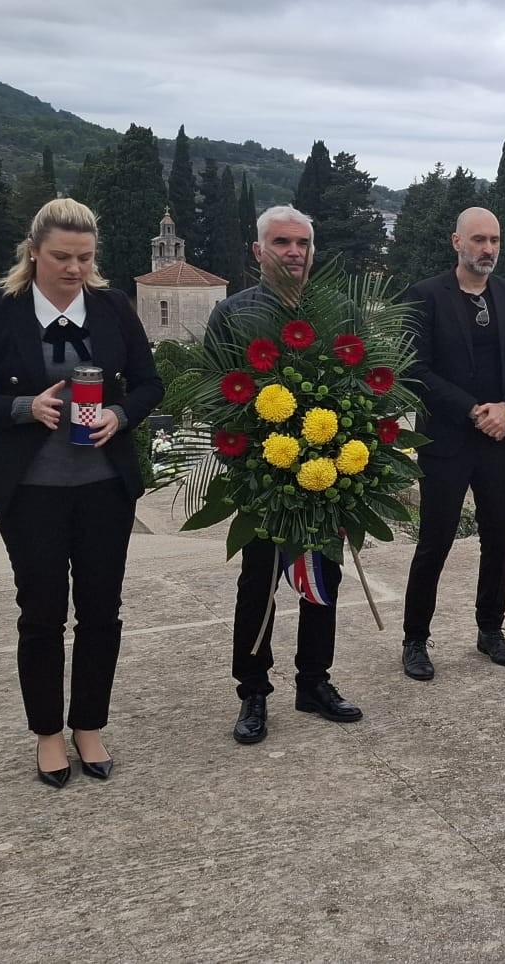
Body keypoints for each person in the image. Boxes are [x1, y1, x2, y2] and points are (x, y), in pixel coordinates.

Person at [0, 198, 164, 787]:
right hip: (30, 491)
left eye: (85, 257)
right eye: (62, 256)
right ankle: (47, 733)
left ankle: (89, 725)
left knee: (101, 611)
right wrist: (23, 407)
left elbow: (149, 384)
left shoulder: (113, 307)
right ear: (34, 251)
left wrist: (120, 414)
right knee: (41, 612)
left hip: (104, 488)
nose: (74, 268)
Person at [206, 205, 362, 745]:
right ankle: (252, 690)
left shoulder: (340, 312)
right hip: (263, 480)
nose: (294, 252)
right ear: (258, 251)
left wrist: (344, 457)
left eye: (302, 243)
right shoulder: (232, 315)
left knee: (323, 579)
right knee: (259, 584)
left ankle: (314, 681)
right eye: (281, 243)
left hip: (325, 475)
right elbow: (216, 398)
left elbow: (360, 386)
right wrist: (255, 468)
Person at [397, 207, 505, 681]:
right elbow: (416, 369)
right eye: (479, 239)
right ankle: (415, 640)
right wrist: (474, 410)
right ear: (456, 242)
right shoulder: (425, 296)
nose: (488, 249)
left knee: (499, 538)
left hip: (500, 439)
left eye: (494, 240)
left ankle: (490, 630)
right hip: (447, 441)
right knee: (435, 541)